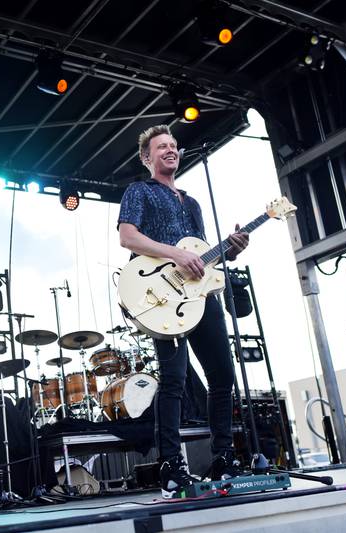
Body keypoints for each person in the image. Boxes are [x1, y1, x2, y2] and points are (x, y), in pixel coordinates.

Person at [117, 124, 249, 499]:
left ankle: (223, 456)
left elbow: (201, 254)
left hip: (200, 297)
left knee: (223, 375)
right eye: (161, 147)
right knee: (174, 380)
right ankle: (171, 465)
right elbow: (128, 236)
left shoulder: (192, 203)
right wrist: (175, 253)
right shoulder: (139, 191)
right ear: (147, 157)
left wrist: (231, 249)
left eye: (174, 145)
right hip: (162, 298)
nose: (170, 150)